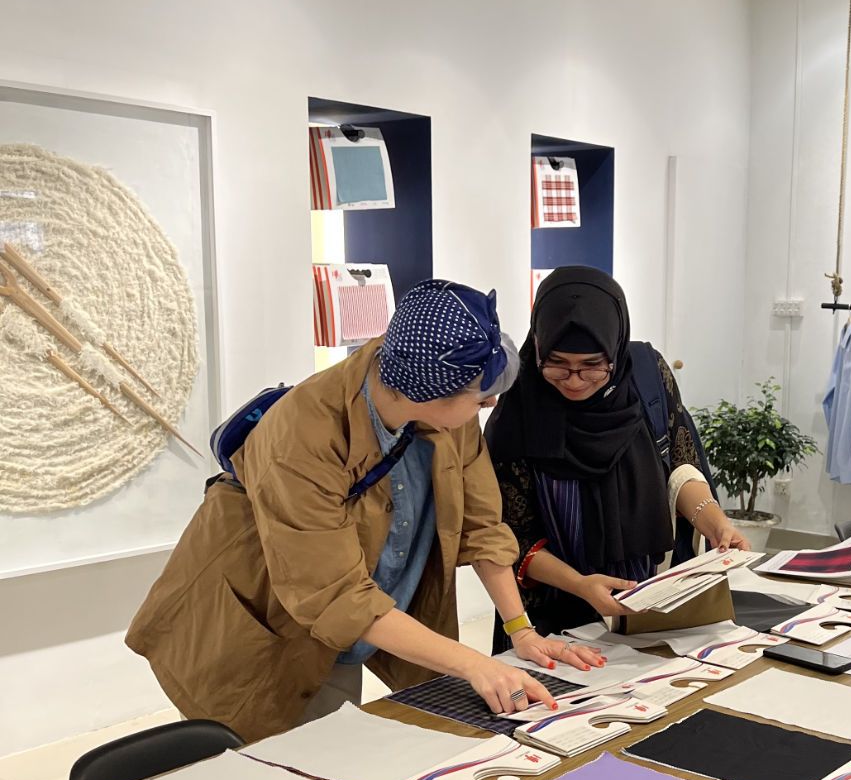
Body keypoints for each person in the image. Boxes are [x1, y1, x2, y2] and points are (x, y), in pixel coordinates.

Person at [126, 279, 602, 743]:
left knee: (336, 736)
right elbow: (335, 597)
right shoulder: (301, 436)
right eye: (481, 398)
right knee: (281, 752)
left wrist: (521, 630)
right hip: (261, 621)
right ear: (431, 394)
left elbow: (482, 527)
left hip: (353, 620)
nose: (491, 404)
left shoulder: (429, 379)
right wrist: (474, 663)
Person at [484, 265, 749, 639]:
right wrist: (580, 584)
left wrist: (716, 522)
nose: (575, 380)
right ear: (538, 348)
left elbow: (679, 462)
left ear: (615, 348)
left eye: (592, 366)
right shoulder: (518, 408)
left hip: (651, 596)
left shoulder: (647, 374)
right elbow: (511, 537)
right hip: (553, 615)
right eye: (557, 364)